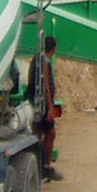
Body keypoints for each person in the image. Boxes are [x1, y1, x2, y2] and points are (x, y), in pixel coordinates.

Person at [32, 33, 62, 181]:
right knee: (51, 133)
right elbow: (47, 87)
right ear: (54, 48)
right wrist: (50, 107)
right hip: (43, 105)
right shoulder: (45, 63)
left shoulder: (36, 60)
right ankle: (47, 166)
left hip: (35, 103)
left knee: (38, 133)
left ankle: (40, 164)